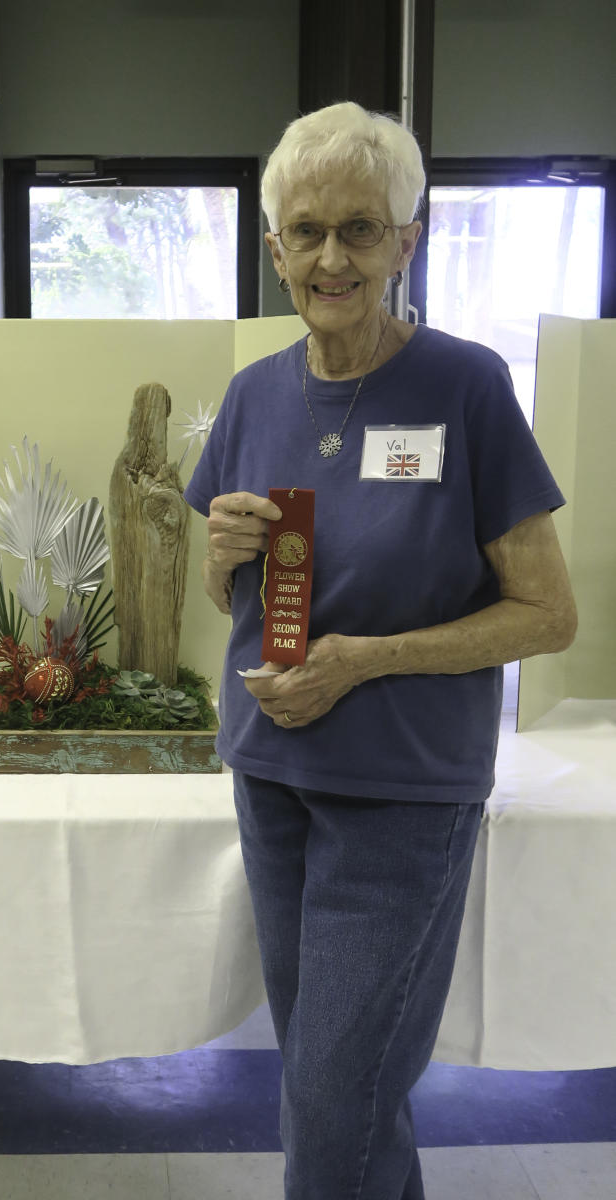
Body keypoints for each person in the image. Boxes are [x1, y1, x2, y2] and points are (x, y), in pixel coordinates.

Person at [183, 101, 577, 1200]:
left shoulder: (465, 387)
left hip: (402, 792)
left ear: (410, 237)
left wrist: (363, 660)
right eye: (304, 231)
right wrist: (220, 552)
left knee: (331, 1093)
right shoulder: (254, 393)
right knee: (334, 1083)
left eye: (360, 229)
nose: (330, 256)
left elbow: (546, 615)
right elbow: (231, 599)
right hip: (272, 778)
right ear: (272, 250)